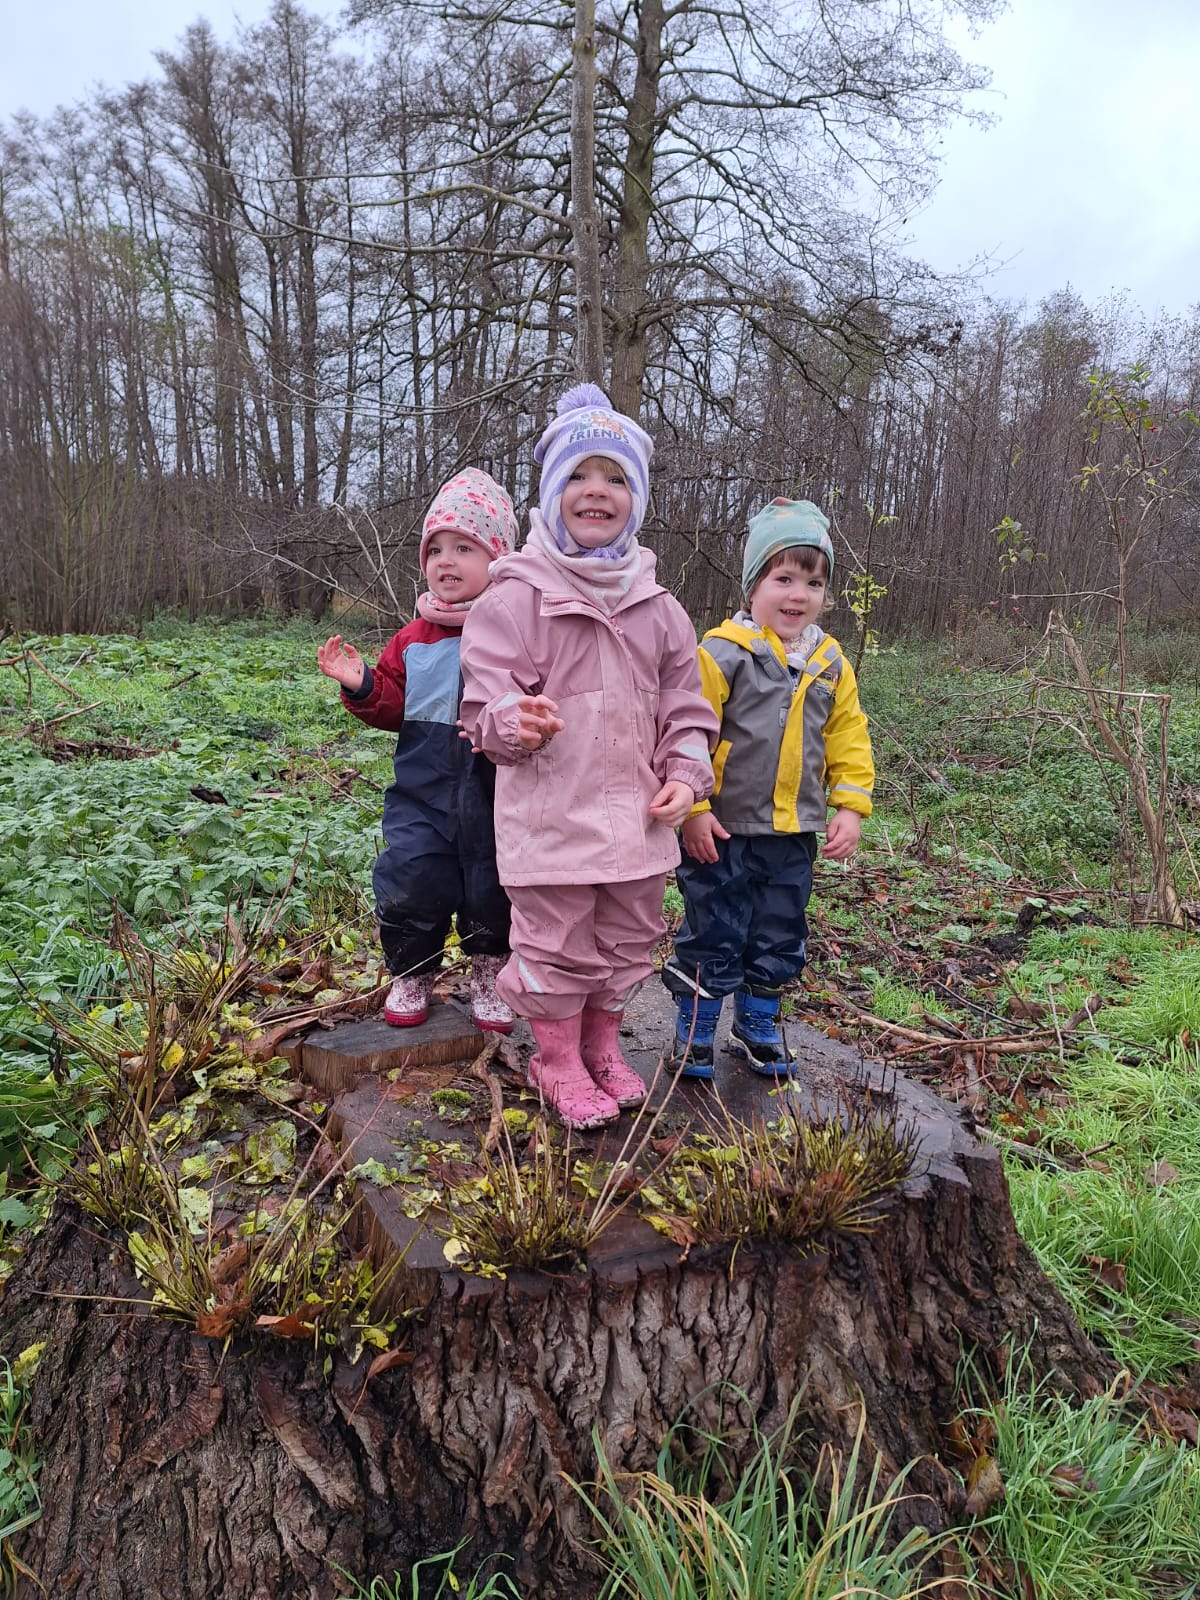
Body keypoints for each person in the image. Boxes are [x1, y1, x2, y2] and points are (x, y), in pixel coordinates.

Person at [459, 385, 717, 1129]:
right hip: (552, 824)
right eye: (578, 475)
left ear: (635, 501)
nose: (596, 490)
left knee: (628, 941)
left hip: (638, 824)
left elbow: (686, 709)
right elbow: (481, 709)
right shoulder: (514, 599)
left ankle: (603, 1045)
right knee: (556, 946)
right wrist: (515, 721)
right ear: (550, 494)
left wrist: (686, 776)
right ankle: (557, 1058)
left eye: (615, 477)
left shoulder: (661, 608)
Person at [661, 497, 874, 1076]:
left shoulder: (831, 664)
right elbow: (689, 731)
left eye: (814, 582)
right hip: (723, 828)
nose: (798, 595)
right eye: (784, 579)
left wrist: (850, 806)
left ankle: (756, 1023)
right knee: (714, 925)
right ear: (753, 583)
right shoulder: (723, 653)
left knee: (779, 929)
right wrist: (695, 807)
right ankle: (695, 1028)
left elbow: (848, 737)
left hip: (794, 830)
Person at [317, 468, 518, 1033]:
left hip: (496, 795)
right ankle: (413, 971)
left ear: (498, 558)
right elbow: (393, 705)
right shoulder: (412, 638)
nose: (446, 561)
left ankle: (490, 974)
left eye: (464, 548)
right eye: (436, 549)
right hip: (422, 795)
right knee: (411, 878)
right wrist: (363, 685)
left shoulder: (515, 632)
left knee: (494, 886)